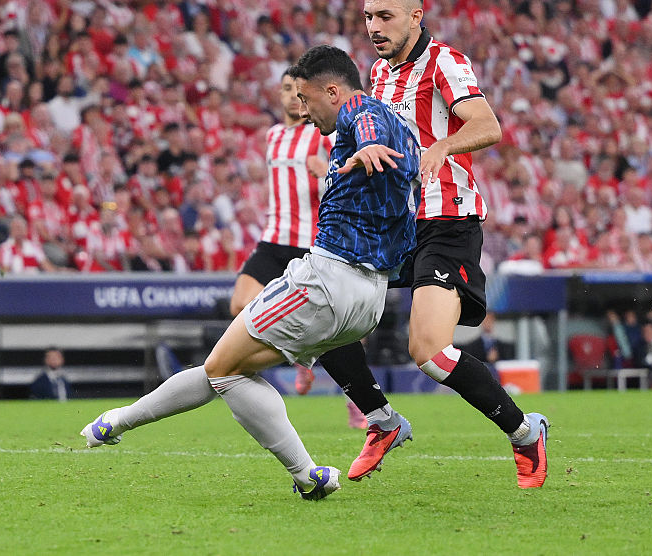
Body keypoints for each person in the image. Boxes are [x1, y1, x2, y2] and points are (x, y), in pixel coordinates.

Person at [81, 45, 420, 500]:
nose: (304, 109)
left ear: (333, 91)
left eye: (307, 98)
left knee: (223, 370)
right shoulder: (403, 131)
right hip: (370, 297)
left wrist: (368, 142)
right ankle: (115, 422)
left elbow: (364, 119)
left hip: (327, 278)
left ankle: (308, 473)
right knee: (228, 364)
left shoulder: (364, 115)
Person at [324, 0, 548, 488]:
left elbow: (488, 125)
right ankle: (381, 421)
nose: (373, 27)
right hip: (394, 224)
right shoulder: (378, 74)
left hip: (446, 222)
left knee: (426, 351)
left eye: (384, 16)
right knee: (326, 316)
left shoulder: (445, 62)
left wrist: (443, 145)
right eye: (368, 16)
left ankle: (524, 433)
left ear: (415, 16)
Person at [229, 69, 370, 427]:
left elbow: (353, 179)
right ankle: (300, 355)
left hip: (312, 242)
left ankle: (358, 401)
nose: (293, 96)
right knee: (240, 304)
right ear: (279, 95)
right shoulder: (273, 135)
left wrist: (327, 171)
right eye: (286, 89)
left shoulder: (324, 135)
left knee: (340, 326)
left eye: (298, 90)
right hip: (274, 238)